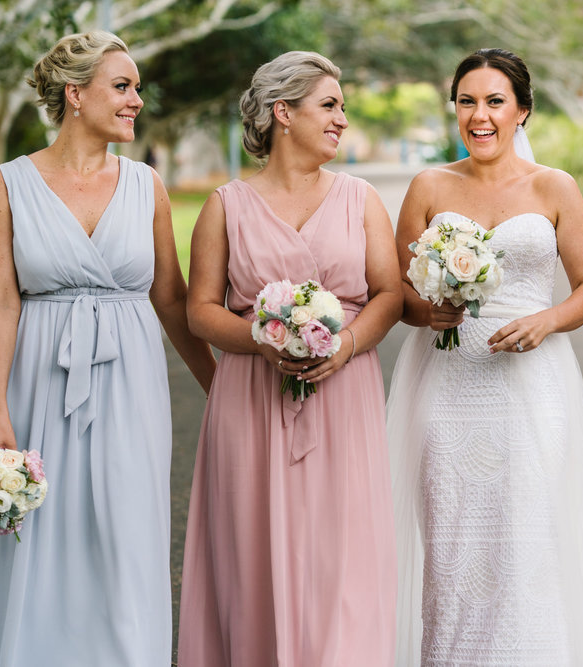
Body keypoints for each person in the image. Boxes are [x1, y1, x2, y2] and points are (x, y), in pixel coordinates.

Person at [0, 30, 216, 666]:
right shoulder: (9, 186)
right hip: (34, 382)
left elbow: (170, 298)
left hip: (130, 387)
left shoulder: (147, 186)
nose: (137, 99)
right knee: (34, 534)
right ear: (75, 94)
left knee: (123, 533)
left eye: (137, 87)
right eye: (123, 86)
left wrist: (218, 385)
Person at [388, 48, 583, 666]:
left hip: (533, 383)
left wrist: (547, 320)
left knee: (531, 535)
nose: (479, 116)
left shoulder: (554, 186)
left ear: (522, 111)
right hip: (448, 383)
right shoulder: (430, 185)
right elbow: (398, 292)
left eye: (494, 102)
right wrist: (431, 311)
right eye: (467, 102)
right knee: (453, 539)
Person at [177, 51, 402, 666]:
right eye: (329, 105)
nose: (342, 120)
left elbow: (388, 294)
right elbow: (201, 310)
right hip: (251, 397)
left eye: (343, 108)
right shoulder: (225, 206)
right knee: (253, 555)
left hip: (344, 394)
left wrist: (347, 344)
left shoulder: (361, 199)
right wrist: (266, 340)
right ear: (283, 112)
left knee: (343, 555)